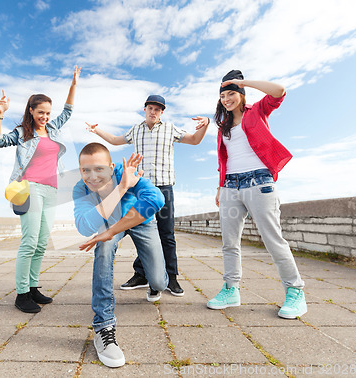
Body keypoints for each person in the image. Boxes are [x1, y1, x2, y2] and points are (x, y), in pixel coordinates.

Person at [204, 69, 306, 319]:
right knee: (229, 243)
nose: (227, 99)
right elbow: (223, 160)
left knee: (273, 240)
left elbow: (279, 91)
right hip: (230, 187)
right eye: (223, 95)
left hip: (259, 182)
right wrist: (220, 187)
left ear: (241, 94)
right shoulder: (223, 126)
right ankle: (231, 289)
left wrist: (242, 82)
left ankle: (295, 291)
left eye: (231, 93)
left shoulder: (257, 111)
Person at [86, 95, 210, 297]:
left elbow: (195, 140)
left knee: (166, 234)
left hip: (164, 187)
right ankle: (141, 275)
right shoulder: (136, 130)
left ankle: (172, 277)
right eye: (151, 108)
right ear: (145, 109)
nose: (154, 112)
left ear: (162, 112)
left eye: (158, 109)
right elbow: (116, 140)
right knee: (142, 232)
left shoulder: (170, 129)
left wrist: (206, 124)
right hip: (141, 188)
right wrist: (96, 130)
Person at [0, 66, 81, 313]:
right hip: (29, 190)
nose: (45, 117)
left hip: (52, 190)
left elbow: (68, 111)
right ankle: (21, 294)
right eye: (41, 112)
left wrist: (73, 84)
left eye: (48, 113)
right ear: (31, 111)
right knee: (29, 241)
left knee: (41, 243)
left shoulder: (52, 129)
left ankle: (32, 287)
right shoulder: (22, 133)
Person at [73, 142, 168, 368]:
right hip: (111, 222)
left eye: (99, 169)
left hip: (140, 220)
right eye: (86, 170)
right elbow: (85, 226)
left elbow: (157, 200)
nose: (92, 176)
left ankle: (155, 281)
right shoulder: (81, 188)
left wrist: (125, 184)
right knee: (103, 247)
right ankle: (103, 325)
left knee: (158, 282)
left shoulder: (126, 172)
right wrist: (121, 188)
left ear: (111, 166)